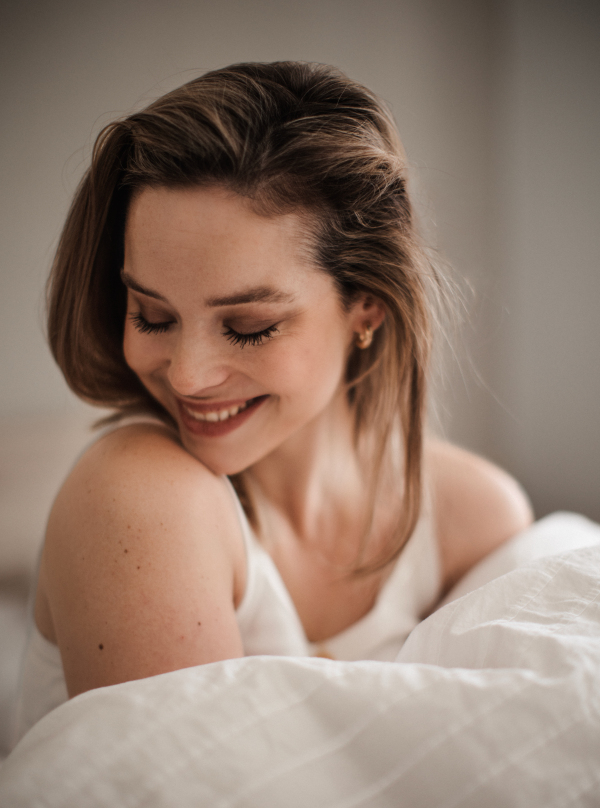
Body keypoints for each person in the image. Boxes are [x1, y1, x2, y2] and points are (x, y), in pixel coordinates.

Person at [16, 61, 532, 736]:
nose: (188, 376)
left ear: (367, 308)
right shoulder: (138, 494)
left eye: (249, 327)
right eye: (152, 315)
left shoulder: (473, 520)